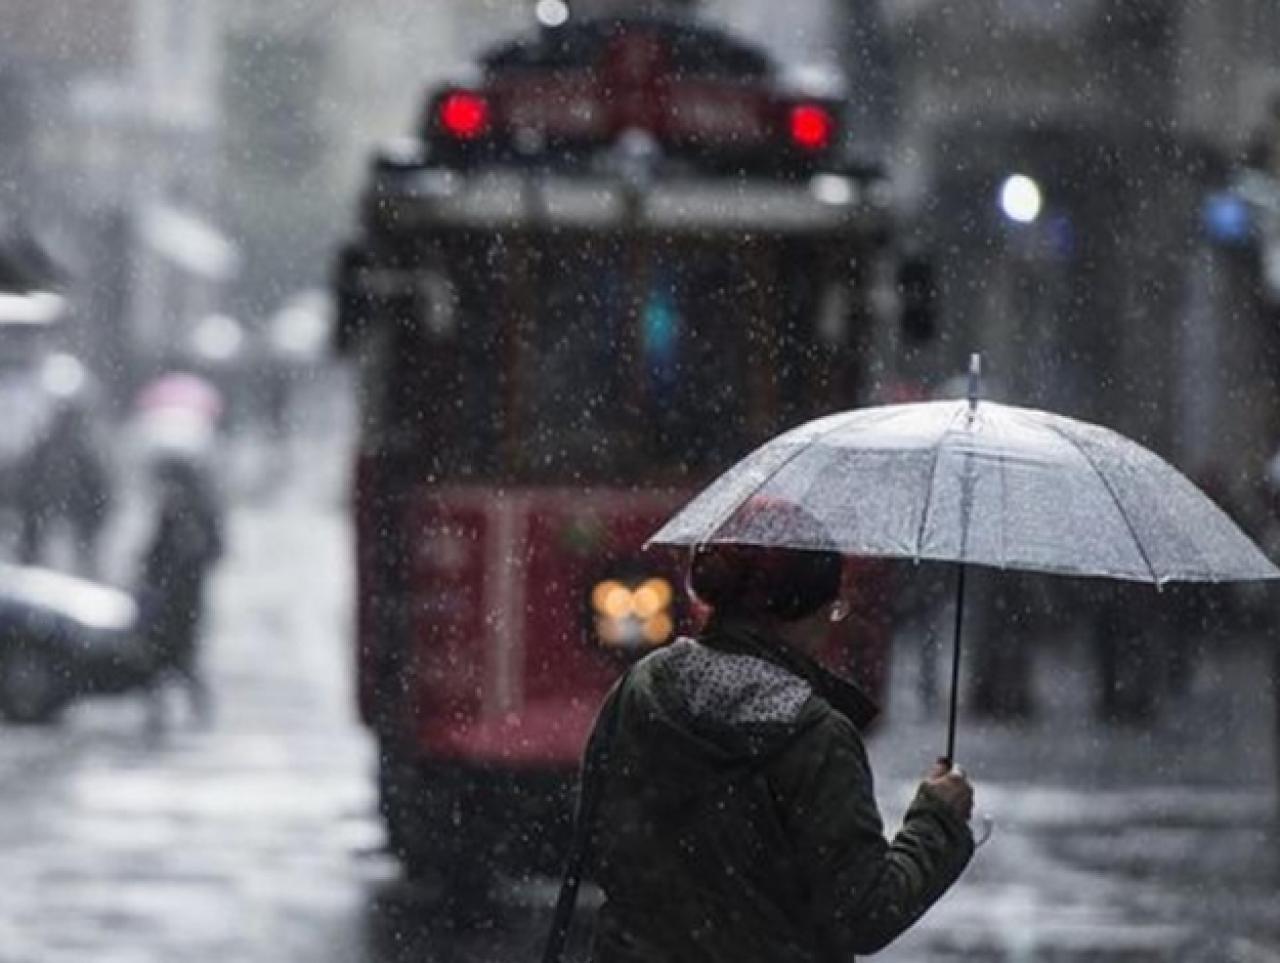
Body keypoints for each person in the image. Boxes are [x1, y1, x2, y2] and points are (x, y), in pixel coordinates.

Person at [583, 512, 975, 962]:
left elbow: (599, 839)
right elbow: (863, 914)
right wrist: (937, 820)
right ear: (806, 608)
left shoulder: (641, 689)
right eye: (833, 605)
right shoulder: (815, 737)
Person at [138, 454, 224, 728]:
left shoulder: (198, 513)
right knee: (161, 658)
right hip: (165, 598)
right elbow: (155, 551)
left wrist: (190, 555)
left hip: (185, 599)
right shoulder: (170, 511)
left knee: (181, 658)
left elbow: (213, 551)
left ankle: (199, 711)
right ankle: (161, 713)